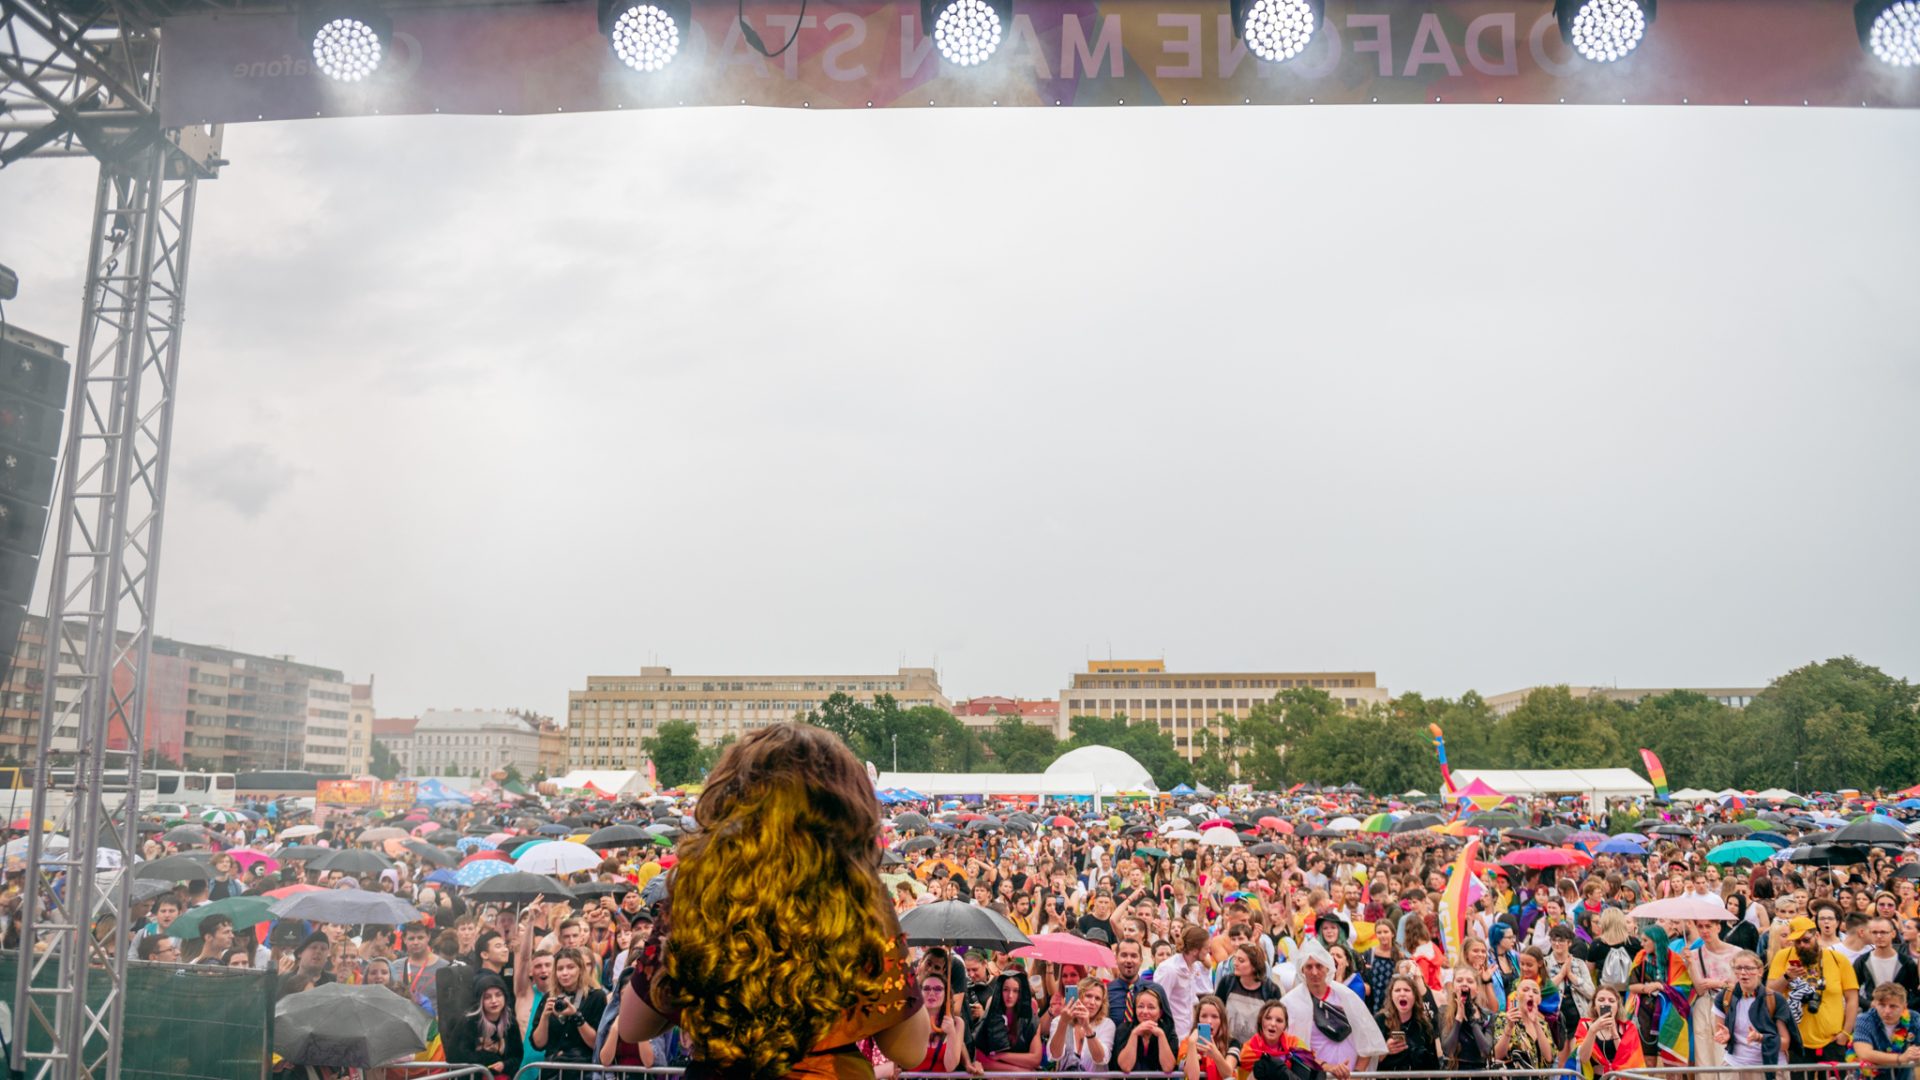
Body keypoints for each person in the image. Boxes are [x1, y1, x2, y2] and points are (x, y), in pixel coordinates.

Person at [616, 723, 929, 1080]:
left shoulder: (700, 892)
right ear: (845, 809)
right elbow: (909, 1049)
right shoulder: (859, 902)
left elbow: (633, 1025)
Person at [1279, 940, 1385, 1079]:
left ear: (1328, 968)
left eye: (1319, 966)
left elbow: (1368, 1041)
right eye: (1309, 967)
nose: (1314, 972)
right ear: (1302, 970)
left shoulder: (1347, 996)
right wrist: (1326, 1067)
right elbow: (1290, 1049)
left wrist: (1357, 1074)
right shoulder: (1290, 1003)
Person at [1769, 915, 1861, 1064]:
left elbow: (1852, 998)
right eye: (1797, 942)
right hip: (1797, 1042)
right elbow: (1770, 993)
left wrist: (1845, 1033)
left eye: (1806, 940)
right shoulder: (1783, 957)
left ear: (1817, 936)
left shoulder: (1838, 959)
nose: (1802, 946)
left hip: (1833, 1041)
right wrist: (1786, 977)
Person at [1710, 951, 1795, 1080]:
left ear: (1760, 971)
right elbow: (1719, 1032)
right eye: (1738, 968)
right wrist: (1726, 1036)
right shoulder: (1724, 997)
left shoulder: (1775, 999)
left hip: (1770, 1069)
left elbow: (1785, 1043)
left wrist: (1760, 1038)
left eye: (1749, 968)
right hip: (1734, 1067)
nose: (1743, 973)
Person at [451, 971, 523, 1080]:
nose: (494, 1001)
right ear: (480, 1000)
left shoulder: (510, 1022)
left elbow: (517, 1055)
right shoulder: (469, 1022)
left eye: (498, 995)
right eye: (487, 997)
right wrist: (488, 1060)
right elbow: (457, 1055)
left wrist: (505, 1065)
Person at [969, 970, 1042, 1072]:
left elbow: (1035, 1059)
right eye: (1006, 990)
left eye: (1015, 991)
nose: (1010, 995)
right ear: (999, 991)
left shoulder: (1030, 1019)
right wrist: (1017, 1070)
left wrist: (1001, 1055)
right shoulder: (990, 1017)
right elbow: (979, 1058)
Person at [1572, 985, 1646, 1076]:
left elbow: (1628, 1060)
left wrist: (1614, 1032)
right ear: (1595, 1005)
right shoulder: (1585, 1026)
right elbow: (1583, 1058)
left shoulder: (1628, 1028)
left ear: (1617, 1006)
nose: (1606, 1004)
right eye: (1601, 1000)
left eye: (1611, 1001)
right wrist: (1592, 1031)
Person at [1851, 984, 1919, 1080]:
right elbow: (1864, 1053)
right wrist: (1900, 1058)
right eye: (1882, 1005)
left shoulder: (1914, 1018)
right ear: (1874, 1004)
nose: (1887, 1011)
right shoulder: (1864, 1019)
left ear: (1904, 1006)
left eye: (1893, 1006)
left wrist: (1915, 1053)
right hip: (1870, 1077)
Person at [1373, 973, 1439, 1072]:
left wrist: (1414, 1049)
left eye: (1407, 990)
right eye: (1397, 990)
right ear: (1391, 996)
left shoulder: (1424, 1024)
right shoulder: (1380, 1020)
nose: (1402, 993)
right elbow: (1368, 1062)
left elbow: (1433, 1064)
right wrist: (1385, 1051)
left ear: (1415, 996)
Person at [1159, 926, 1215, 1041]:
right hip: (1173, 1036)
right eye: (1206, 948)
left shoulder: (1193, 967)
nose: (1208, 952)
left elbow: (1191, 1002)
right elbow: (1160, 1004)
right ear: (1195, 950)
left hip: (1188, 1034)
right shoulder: (1169, 969)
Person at [1048, 975, 1113, 1073]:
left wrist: (1087, 1028)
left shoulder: (1107, 1024)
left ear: (1102, 1004)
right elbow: (1055, 1055)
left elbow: (1101, 1059)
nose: (1092, 1002)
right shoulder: (1059, 1021)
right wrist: (1063, 1022)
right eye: (1088, 996)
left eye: (1098, 998)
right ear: (1079, 996)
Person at [1235, 1001, 1316, 1080]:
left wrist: (1278, 1069)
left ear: (1285, 1026)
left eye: (1279, 1020)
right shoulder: (1247, 1052)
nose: (1273, 1024)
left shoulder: (1296, 1045)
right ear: (1260, 1021)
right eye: (1268, 1018)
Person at [1493, 976, 1560, 1069]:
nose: (1531, 994)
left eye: (1535, 992)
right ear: (1516, 996)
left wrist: (1536, 1023)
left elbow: (1549, 1058)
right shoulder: (1504, 1018)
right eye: (1525, 990)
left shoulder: (1543, 1024)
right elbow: (1497, 1055)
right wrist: (1509, 1028)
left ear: (1539, 999)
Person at [1440, 966, 1495, 1070]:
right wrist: (1458, 1020)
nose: (1464, 983)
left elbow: (1485, 1050)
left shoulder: (1487, 1015)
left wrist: (1472, 1020)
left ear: (1477, 989)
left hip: (1480, 1073)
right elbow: (1448, 1050)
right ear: (1453, 987)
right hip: (1455, 1073)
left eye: (1470, 981)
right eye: (1459, 980)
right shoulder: (1444, 1011)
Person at [1116, 983, 1178, 1075]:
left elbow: (1168, 1068)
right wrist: (1134, 1034)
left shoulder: (1168, 1031)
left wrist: (1161, 1035)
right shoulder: (1124, 1029)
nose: (1145, 1012)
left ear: (1160, 1012)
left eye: (1151, 1007)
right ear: (1135, 1009)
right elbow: (1126, 1067)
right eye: (1140, 1006)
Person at [1858, 917, 1920, 1009]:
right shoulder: (1863, 961)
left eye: (1883, 932)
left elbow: (1917, 992)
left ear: (1893, 934)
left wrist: (1904, 1006)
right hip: (1871, 1015)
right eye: (1874, 932)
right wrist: (1869, 1004)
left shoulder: (1906, 962)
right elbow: (1851, 991)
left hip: (1901, 1017)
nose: (1879, 936)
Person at [1180, 995, 1236, 1080]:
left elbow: (1228, 1074)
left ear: (1222, 1020)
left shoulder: (1232, 1043)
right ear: (1198, 1019)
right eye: (1204, 1016)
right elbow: (1193, 1077)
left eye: (1214, 1016)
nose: (1209, 1021)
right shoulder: (1187, 1042)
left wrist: (1215, 1053)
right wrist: (1192, 1044)